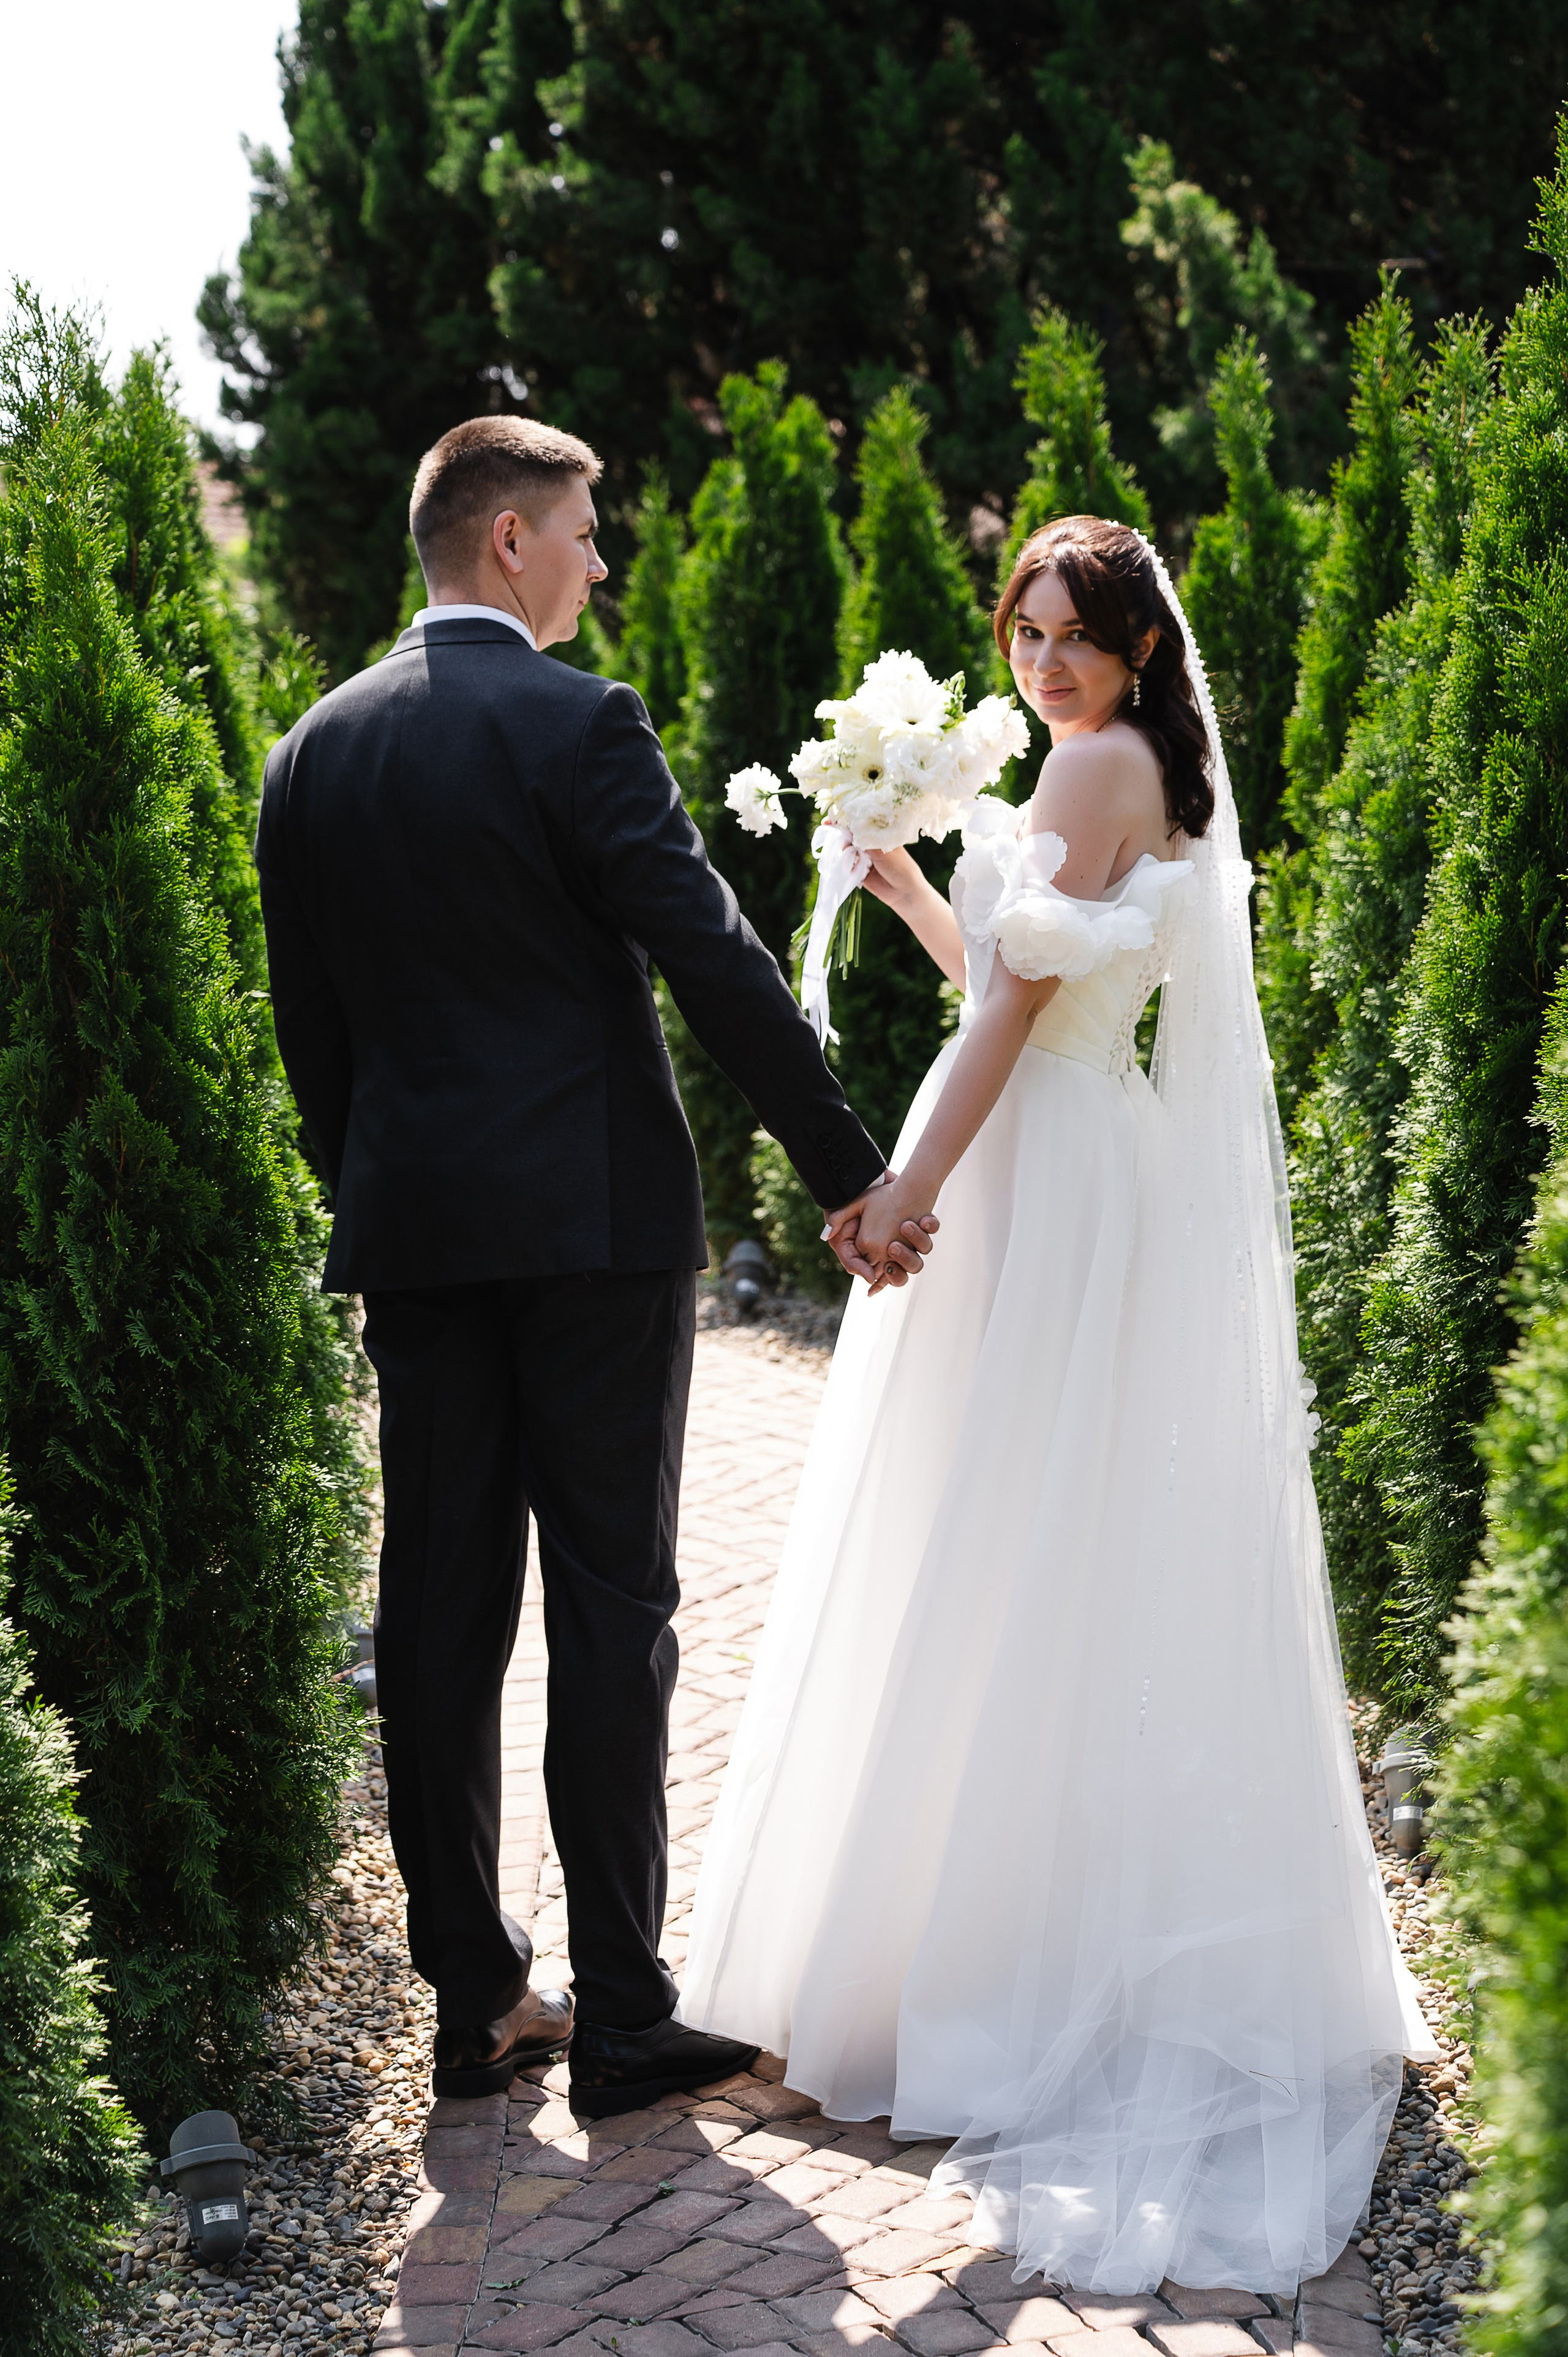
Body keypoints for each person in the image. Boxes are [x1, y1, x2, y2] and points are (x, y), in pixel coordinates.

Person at [678, 516, 1436, 2291]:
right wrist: (917, 896)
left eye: (1076, 634)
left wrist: (907, 1186)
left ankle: (968, 1961)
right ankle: (997, 1922)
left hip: (1036, 1162)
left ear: (1140, 649)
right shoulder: (1102, 772)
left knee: (987, 1522)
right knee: (1026, 1526)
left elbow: (1016, 1023)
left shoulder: (1092, 766)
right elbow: (1009, 986)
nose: (1045, 666)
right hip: (1073, 1151)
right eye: (1025, 635)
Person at [254, 415, 935, 2116]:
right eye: (585, 529)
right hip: (596, 1230)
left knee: (438, 1611)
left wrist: (389, 1190)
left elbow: (312, 1039)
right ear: (506, 543)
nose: (601, 562)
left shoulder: (312, 752)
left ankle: (472, 2003)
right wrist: (857, 1173)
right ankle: (626, 2014)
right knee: (614, 1610)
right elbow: (709, 959)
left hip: (419, 1239)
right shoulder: (579, 722)